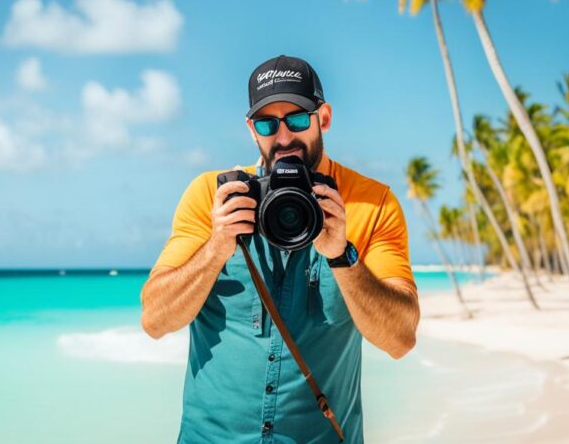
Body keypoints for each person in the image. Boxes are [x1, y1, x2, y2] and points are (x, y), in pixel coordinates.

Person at [140, 54, 419, 443]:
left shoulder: (372, 204)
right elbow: (155, 319)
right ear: (252, 129)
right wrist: (216, 247)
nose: (283, 137)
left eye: (298, 119)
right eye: (268, 124)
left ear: (324, 118)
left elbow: (401, 339)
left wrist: (342, 256)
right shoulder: (212, 197)